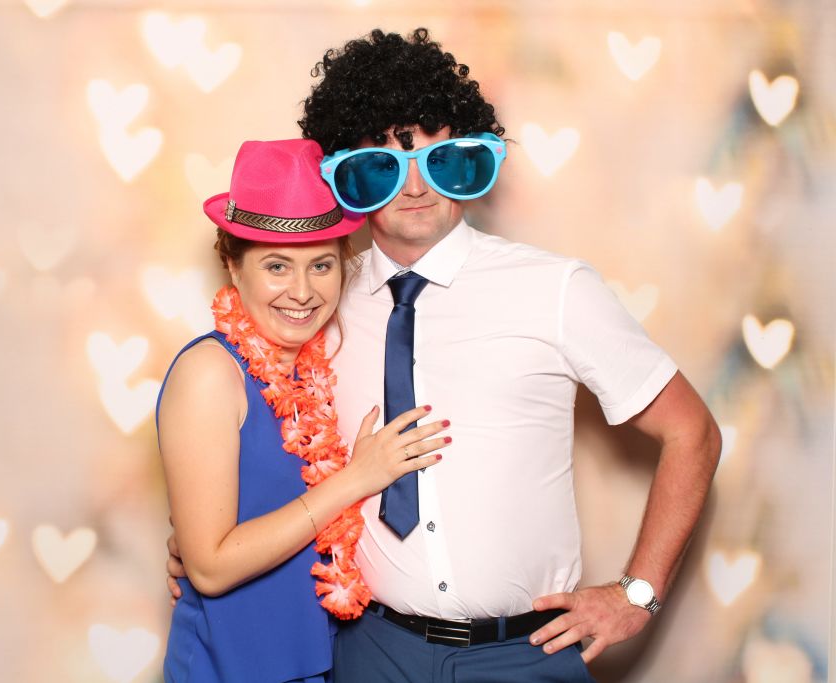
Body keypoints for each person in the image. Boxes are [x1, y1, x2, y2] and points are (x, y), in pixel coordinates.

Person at [169, 28, 721, 682]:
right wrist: (205, 549)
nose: (415, 186)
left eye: (441, 159)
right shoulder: (317, 301)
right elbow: (266, 444)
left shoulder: (556, 289)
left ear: (470, 160)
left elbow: (692, 430)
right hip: (365, 650)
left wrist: (638, 593)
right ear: (348, 177)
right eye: (384, 164)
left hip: (523, 653)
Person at [155, 137, 450, 683]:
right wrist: (356, 478)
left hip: (321, 659)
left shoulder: (319, 366)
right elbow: (211, 568)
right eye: (277, 266)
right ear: (232, 265)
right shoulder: (210, 374)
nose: (302, 291)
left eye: (321, 265)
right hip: (234, 667)